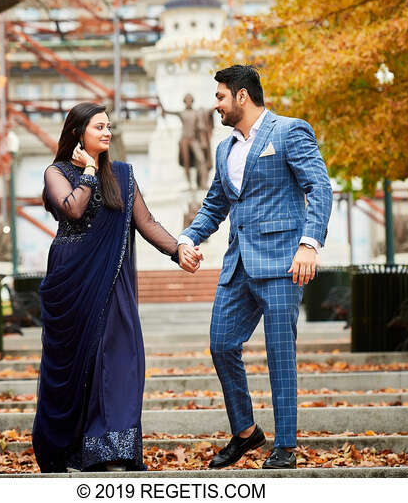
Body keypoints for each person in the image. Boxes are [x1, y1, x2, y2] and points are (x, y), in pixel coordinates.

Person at [176, 65, 333, 469]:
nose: (216, 105)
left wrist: (309, 244)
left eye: (220, 97)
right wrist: (187, 240)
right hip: (238, 266)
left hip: (284, 263)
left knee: (280, 354)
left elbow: (319, 187)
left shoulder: (289, 131)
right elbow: (215, 203)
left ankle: (285, 446)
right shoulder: (225, 148)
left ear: (242, 96)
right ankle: (246, 432)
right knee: (222, 344)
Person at [32, 102, 202, 473]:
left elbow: (146, 221)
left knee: (121, 360)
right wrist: (89, 170)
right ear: (78, 133)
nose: (107, 133)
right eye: (99, 127)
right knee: (81, 363)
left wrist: (179, 249)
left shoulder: (122, 175)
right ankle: (71, 449)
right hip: (72, 283)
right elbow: (72, 210)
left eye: (108, 127)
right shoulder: (56, 172)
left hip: (112, 281)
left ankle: (112, 448)